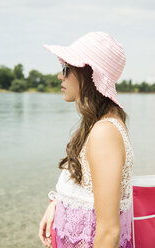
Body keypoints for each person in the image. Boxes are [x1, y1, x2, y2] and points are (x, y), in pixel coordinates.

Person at [39, 31, 134, 248]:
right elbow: (90, 193)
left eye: (66, 68)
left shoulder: (104, 132)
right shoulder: (99, 124)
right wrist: (58, 204)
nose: (60, 76)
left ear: (89, 74)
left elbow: (109, 232)